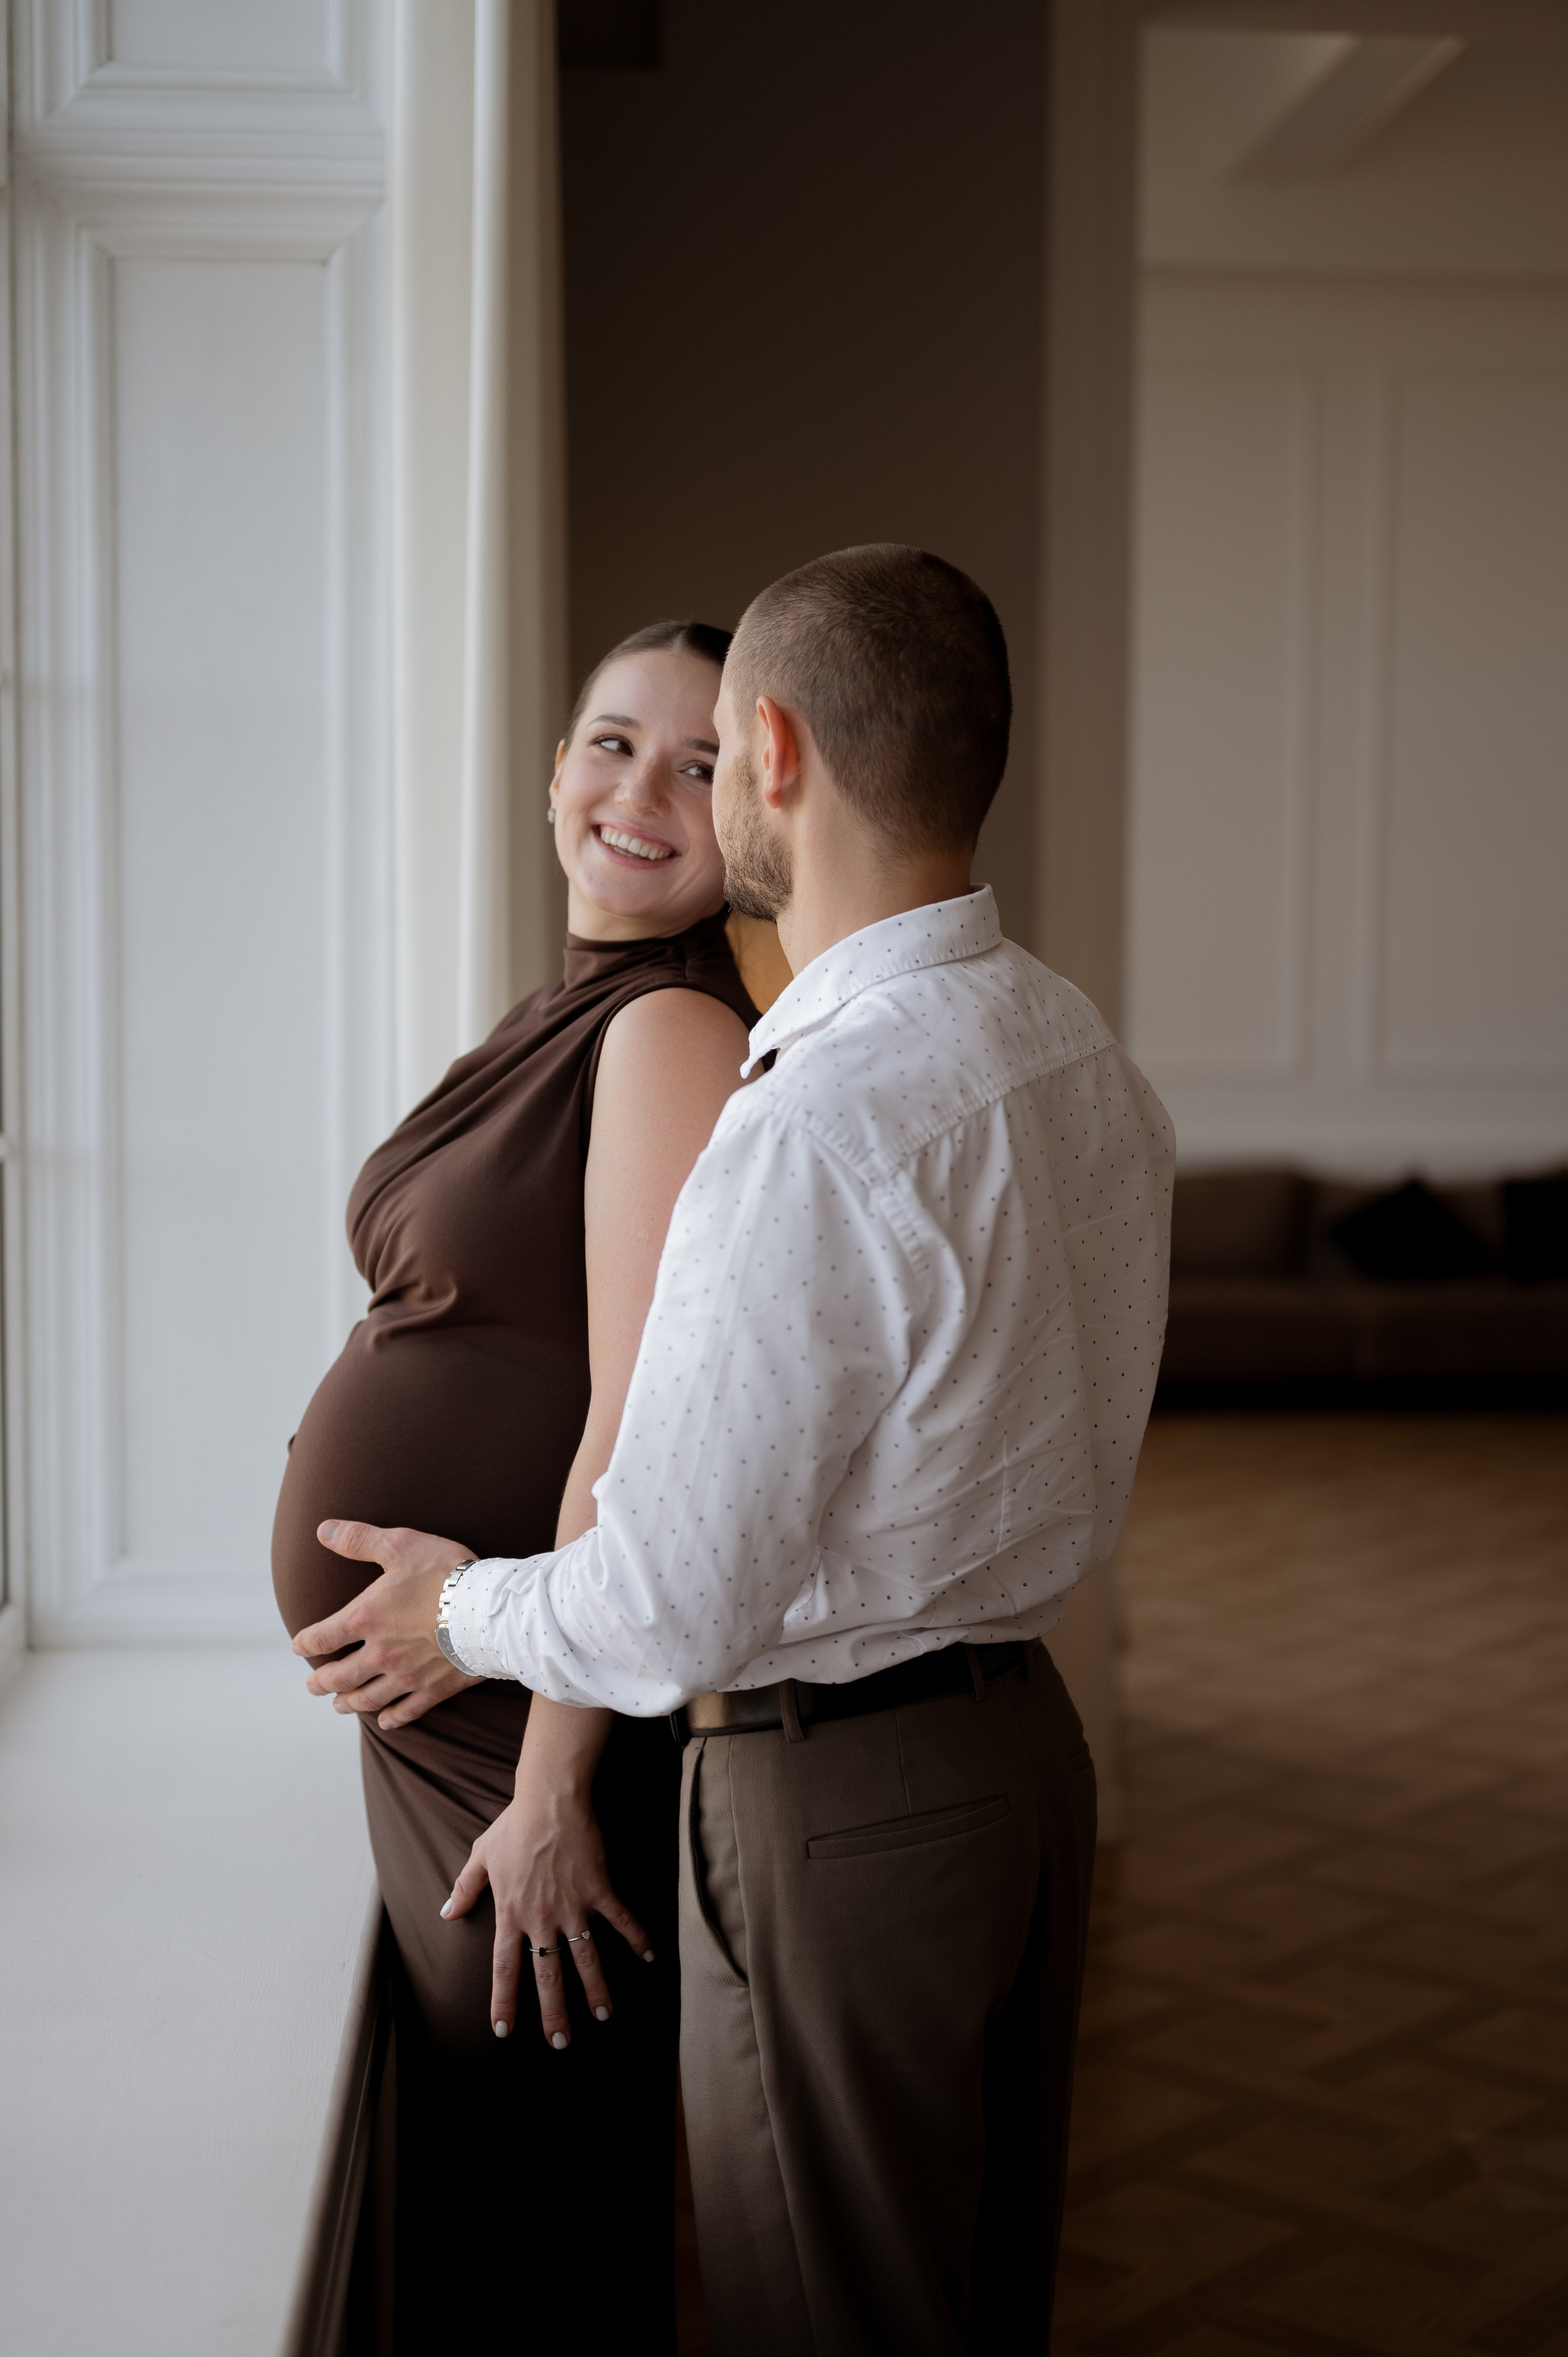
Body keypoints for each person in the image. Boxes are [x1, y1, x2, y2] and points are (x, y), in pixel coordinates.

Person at [295, 545, 1174, 2353]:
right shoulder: (1072, 1044)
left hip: (839, 1793)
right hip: (1021, 1747)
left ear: (770, 752)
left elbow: (674, 1601)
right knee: (958, 2292)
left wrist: (459, 1616)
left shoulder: (818, 1118)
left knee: (827, 2314)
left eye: (699, 757)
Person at [271, 619, 758, 2353]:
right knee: (489, 2200)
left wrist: (552, 1788)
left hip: (522, 1737)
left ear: (756, 815)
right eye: (613, 743)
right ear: (554, 768)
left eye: (700, 765)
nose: (641, 792)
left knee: (537, 2214)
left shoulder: (670, 1037)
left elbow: (642, 1422)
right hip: (453, 1717)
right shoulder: (565, 1013)